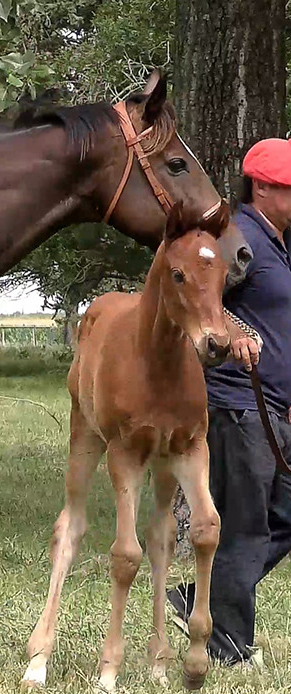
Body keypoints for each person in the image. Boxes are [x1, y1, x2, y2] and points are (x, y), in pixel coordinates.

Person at [168, 137, 291, 666]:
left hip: (277, 406)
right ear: (262, 187)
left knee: (284, 515)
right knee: (245, 525)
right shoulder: (237, 241)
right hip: (240, 404)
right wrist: (235, 329)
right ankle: (230, 646)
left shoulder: (281, 243)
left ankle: (198, 599)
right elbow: (197, 297)